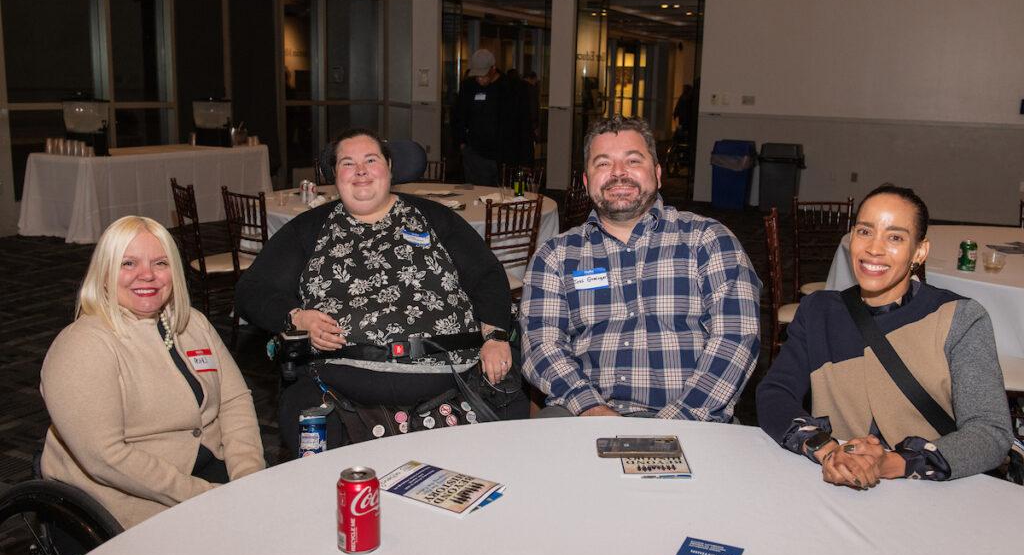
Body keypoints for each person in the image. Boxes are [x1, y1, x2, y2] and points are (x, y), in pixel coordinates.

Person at [235, 128, 518, 454]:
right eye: (347, 163)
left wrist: (496, 335)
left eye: (371, 160)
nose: (360, 171)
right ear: (334, 175)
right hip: (341, 384)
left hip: (452, 375)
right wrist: (297, 318)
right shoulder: (309, 228)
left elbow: (488, 275)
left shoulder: (433, 217)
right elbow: (251, 290)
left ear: (389, 168)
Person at [757, 185, 1012, 486]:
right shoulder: (818, 311)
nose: (874, 249)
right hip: (836, 487)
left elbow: (990, 431)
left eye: (895, 237)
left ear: (920, 251)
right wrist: (827, 450)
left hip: (929, 494)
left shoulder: (959, 317)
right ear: (852, 238)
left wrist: (891, 463)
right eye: (865, 232)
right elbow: (774, 392)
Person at [520, 115, 762, 420]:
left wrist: (678, 421)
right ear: (586, 181)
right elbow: (542, 344)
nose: (618, 173)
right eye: (603, 163)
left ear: (658, 174)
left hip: (695, 422)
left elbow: (736, 339)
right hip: (587, 418)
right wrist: (590, 407)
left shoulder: (709, 241)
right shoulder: (555, 256)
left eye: (633, 160)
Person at [40, 216, 265, 530]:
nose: (147, 275)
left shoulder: (192, 323)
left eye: (160, 263)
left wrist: (248, 477)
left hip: (208, 468)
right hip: (128, 497)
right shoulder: (82, 346)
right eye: (128, 263)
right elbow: (107, 457)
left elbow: (234, 402)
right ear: (104, 272)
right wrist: (206, 495)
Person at [451, 48, 531, 186]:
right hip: (476, 156)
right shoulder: (468, 87)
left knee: (507, 198)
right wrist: (462, 144)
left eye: (483, 75)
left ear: (494, 69)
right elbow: (458, 116)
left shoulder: (512, 88)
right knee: (477, 198)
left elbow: (524, 125)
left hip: (507, 156)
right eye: (477, 76)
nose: (480, 79)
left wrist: (526, 160)